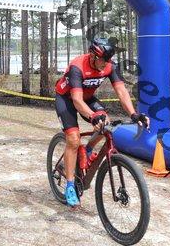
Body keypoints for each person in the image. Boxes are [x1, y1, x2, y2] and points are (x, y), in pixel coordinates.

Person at [54, 37, 149, 208]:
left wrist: (134, 114)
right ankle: (70, 186)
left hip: (87, 98)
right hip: (67, 99)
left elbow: (121, 91)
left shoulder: (109, 65)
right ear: (93, 55)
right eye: (103, 60)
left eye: (108, 60)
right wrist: (92, 116)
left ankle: (88, 149)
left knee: (106, 123)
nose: (106, 64)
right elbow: (76, 100)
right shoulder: (77, 66)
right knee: (73, 139)